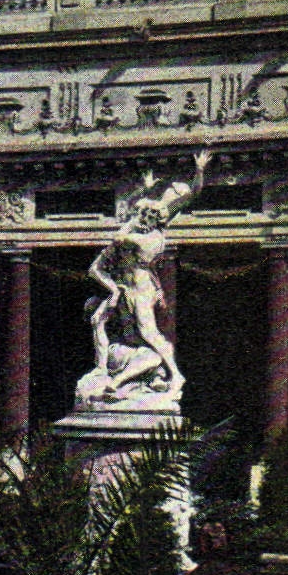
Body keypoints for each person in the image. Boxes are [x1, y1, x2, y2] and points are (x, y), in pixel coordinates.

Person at [87, 149, 209, 393]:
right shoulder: (149, 215)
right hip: (127, 284)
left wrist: (199, 171)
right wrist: (145, 190)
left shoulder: (152, 233)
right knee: (129, 332)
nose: (170, 191)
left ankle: (175, 374)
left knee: (148, 331)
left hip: (140, 285)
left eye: (174, 191)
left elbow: (120, 236)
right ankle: (151, 374)